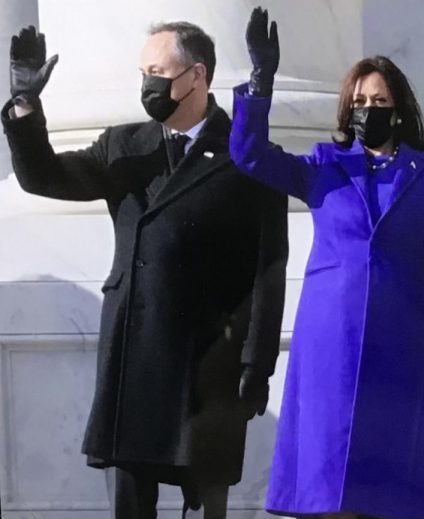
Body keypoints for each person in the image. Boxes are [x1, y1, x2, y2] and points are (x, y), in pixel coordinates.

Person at [3, 22, 288, 519]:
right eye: (143, 73)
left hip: (209, 359)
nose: (148, 85)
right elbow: (44, 177)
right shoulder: (124, 145)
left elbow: (268, 267)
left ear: (196, 75)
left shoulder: (245, 153)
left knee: (209, 498)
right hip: (137, 352)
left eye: (158, 72)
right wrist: (25, 107)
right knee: (132, 499)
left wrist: (256, 362)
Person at [230, 9, 424, 519]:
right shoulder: (323, 164)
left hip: (399, 340)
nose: (370, 109)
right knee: (328, 476)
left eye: (380, 101)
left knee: (388, 482)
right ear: (347, 110)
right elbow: (249, 154)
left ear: (400, 109)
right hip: (329, 338)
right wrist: (261, 81)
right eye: (361, 101)